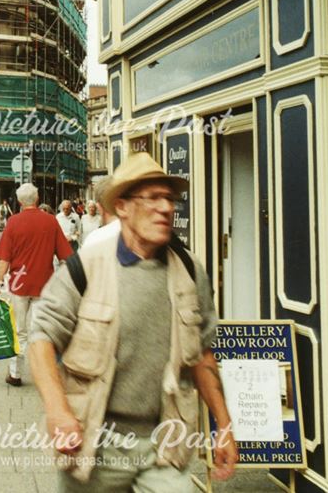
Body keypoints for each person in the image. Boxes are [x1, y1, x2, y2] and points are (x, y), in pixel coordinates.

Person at [28, 153, 237, 491]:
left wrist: (223, 426)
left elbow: (202, 353)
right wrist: (57, 410)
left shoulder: (189, 269)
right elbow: (41, 340)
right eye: (152, 198)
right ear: (123, 207)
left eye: (169, 198)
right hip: (96, 441)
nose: (166, 208)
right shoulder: (86, 267)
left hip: (166, 440)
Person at [0, 182, 72, 387]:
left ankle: (15, 373)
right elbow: (66, 257)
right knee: (41, 330)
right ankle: (45, 373)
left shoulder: (13, 223)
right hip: (45, 285)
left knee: (19, 330)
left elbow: (4, 260)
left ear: (18, 201)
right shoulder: (51, 222)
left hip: (19, 285)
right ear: (37, 200)